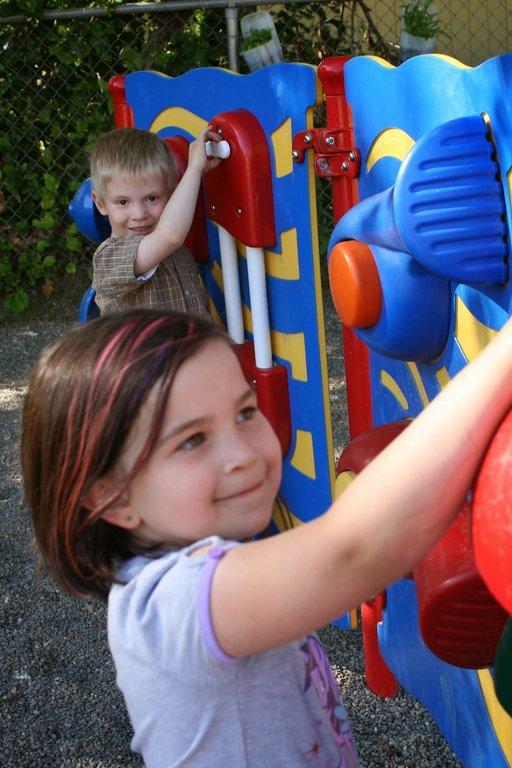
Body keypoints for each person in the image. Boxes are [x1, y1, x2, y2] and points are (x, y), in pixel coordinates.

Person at [21, 309, 512, 768]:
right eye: (192, 440)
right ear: (112, 499)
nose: (243, 453)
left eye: (244, 412)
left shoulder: (203, 571)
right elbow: (352, 551)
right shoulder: (177, 601)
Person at [90, 127, 222, 316]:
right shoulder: (109, 259)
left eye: (151, 198)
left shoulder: (179, 255)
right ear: (101, 203)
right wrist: (194, 169)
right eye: (122, 202)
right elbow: (170, 236)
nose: (139, 214)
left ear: (170, 195)